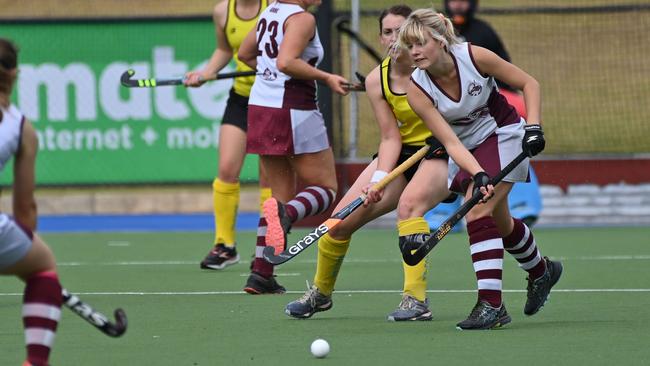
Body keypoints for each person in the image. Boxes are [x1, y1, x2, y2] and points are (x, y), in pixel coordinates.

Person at [284, 4, 453, 321]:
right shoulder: (378, 79)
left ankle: (415, 300)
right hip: (403, 153)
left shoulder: (434, 67)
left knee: (410, 207)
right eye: (387, 32)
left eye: (401, 31)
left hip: (444, 151)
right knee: (339, 222)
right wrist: (378, 180)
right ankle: (321, 294)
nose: (394, 38)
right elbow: (390, 138)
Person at [398, 9, 563, 330]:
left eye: (420, 43)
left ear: (441, 40)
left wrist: (534, 127)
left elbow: (529, 83)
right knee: (498, 221)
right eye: (410, 46)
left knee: (475, 212)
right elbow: (450, 141)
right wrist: (478, 173)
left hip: (503, 134)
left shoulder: (473, 57)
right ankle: (542, 270)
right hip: (466, 148)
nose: (414, 52)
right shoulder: (416, 89)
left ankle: (492, 305)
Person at [237, 0, 350, 294]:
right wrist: (326, 77)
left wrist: (267, 73)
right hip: (294, 108)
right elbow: (286, 61)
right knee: (325, 190)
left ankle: (261, 274)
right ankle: (289, 215)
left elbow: (245, 54)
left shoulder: (269, 11)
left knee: (278, 198)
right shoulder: (302, 19)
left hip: (261, 108)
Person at [184, 0, 271, 270]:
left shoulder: (274, 7)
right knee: (226, 169)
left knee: (269, 176)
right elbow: (224, 49)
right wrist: (206, 74)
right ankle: (225, 246)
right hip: (241, 99)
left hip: (271, 98)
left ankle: (268, 245)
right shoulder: (222, 11)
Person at [0, 38, 63, 366]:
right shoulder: (22, 129)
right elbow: (25, 210)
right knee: (43, 267)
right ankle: (36, 361)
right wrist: (23, 242)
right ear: (15, 73)